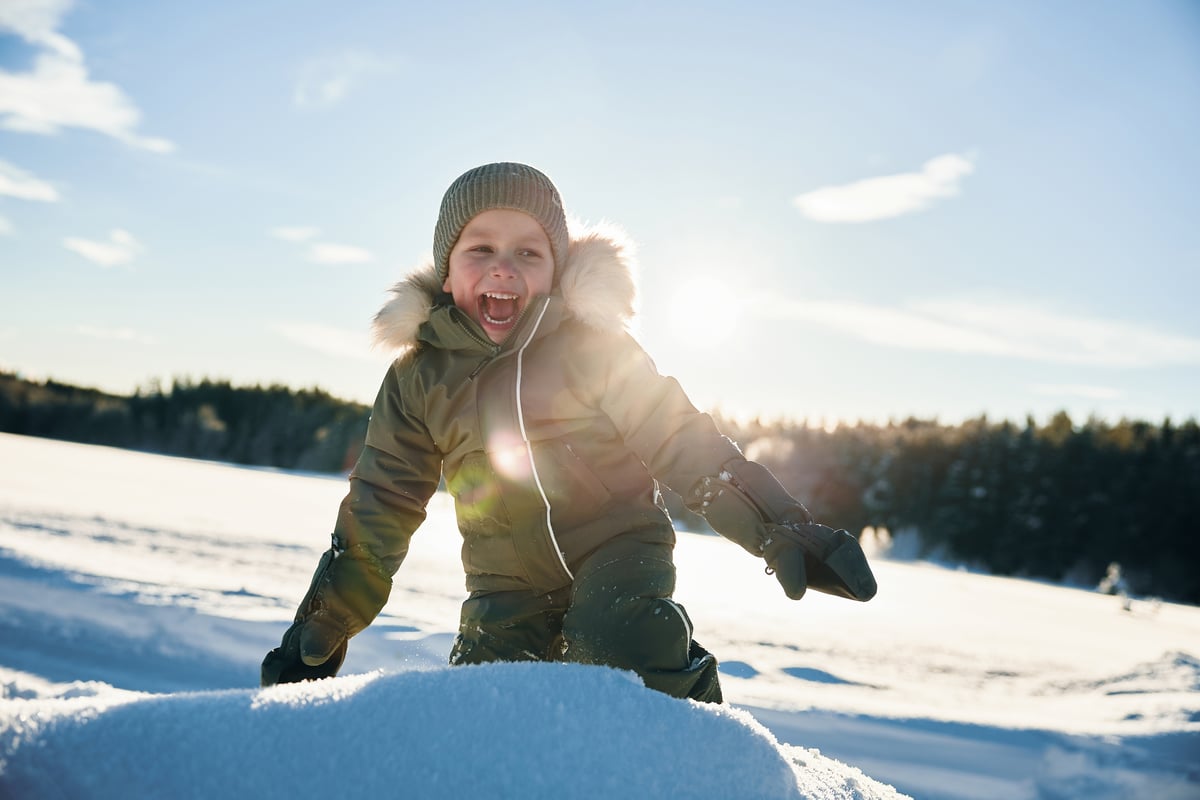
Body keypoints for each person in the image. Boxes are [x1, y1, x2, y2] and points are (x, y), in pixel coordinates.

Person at [261, 162, 877, 703]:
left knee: (613, 636)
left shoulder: (592, 348)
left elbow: (681, 439)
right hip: (502, 588)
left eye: (528, 253)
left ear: (556, 271)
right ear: (447, 273)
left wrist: (777, 526)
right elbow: (381, 504)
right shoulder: (419, 378)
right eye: (481, 250)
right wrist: (329, 620)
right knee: (482, 698)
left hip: (617, 553)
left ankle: (689, 720)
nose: (504, 268)